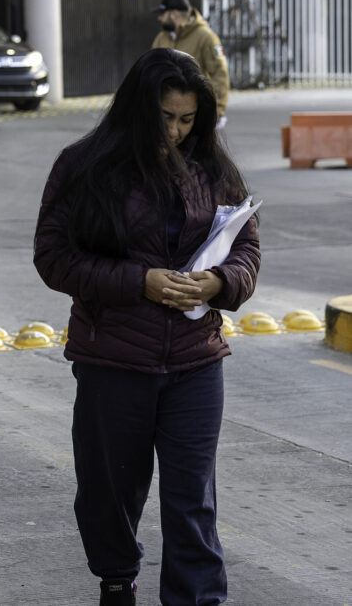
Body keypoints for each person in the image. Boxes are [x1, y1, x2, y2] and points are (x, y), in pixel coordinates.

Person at [33, 48, 260, 605]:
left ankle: (197, 598)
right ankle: (116, 579)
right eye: (166, 119)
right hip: (113, 359)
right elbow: (54, 258)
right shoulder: (82, 166)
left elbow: (248, 247)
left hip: (196, 358)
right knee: (111, 491)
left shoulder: (213, 168)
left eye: (188, 120)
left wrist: (220, 284)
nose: (178, 132)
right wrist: (141, 281)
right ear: (138, 109)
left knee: (192, 500)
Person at [152, 0, 230, 125]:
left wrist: (218, 108)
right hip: (164, 111)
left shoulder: (206, 37)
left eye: (162, 14)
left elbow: (220, 73)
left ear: (174, 14)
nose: (159, 18)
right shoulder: (162, 37)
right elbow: (151, 70)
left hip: (193, 112)